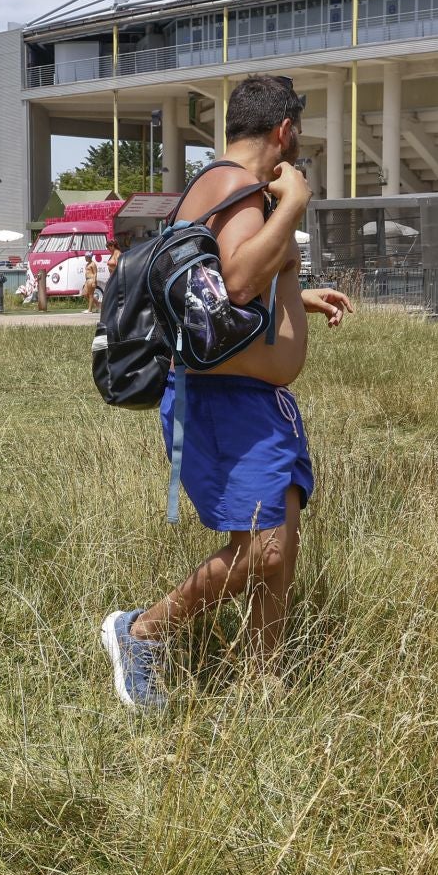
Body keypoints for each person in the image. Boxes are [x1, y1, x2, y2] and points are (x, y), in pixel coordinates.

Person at [101, 74, 353, 708]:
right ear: (285, 131)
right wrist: (293, 205)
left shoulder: (228, 188)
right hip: (223, 402)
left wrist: (297, 294)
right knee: (264, 549)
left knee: (280, 542)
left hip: (254, 400)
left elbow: (234, 283)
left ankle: (266, 678)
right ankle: (142, 631)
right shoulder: (240, 187)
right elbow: (237, 282)